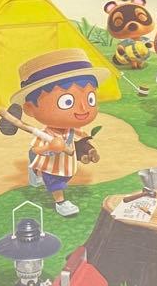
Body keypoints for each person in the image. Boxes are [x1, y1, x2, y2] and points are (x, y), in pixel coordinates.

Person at [11, 48, 109, 218]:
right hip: (52, 165)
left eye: (90, 99)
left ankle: (35, 171)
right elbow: (36, 149)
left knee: (65, 176)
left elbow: (80, 139)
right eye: (67, 102)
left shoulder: (73, 130)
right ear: (30, 109)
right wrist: (50, 147)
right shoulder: (46, 134)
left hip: (67, 164)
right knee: (55, 182)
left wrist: (87, 149)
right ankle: (61, 202)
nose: (83, 109)